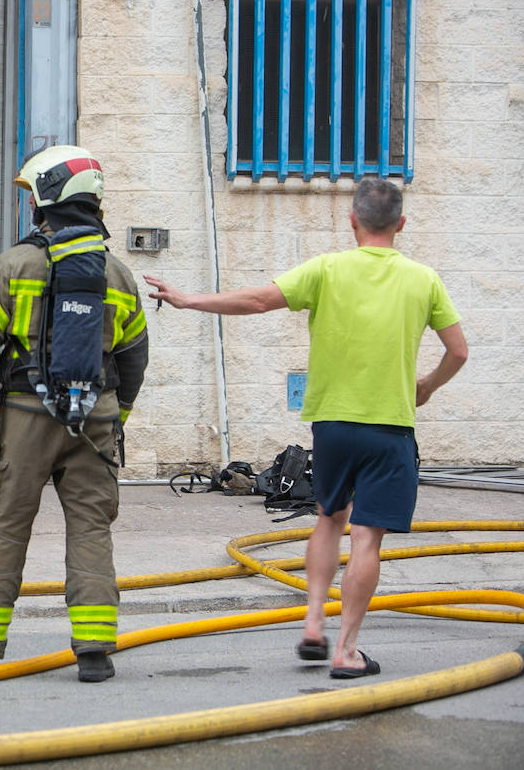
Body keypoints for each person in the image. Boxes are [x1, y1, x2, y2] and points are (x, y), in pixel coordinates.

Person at [143, 176, 467, 680]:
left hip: (332, 424)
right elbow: (458, 352)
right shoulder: (424, 280)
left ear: (352, 220)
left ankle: (314, 623)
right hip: (389, 428)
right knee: (366, 539)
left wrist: (188, 300)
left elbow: (256, 301)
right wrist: (426, 385)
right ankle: (346, 651)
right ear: (401, 224)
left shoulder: (327, 269)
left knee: (328, 519)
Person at [0, 145, 149, 682]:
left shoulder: (14, 266)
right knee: (91, 531)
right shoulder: (119, 275)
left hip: (24, 419)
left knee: (6, 528)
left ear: (46, 199)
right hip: (94, 423)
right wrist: (116, 417)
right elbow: (134, 360)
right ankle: (94, 652)